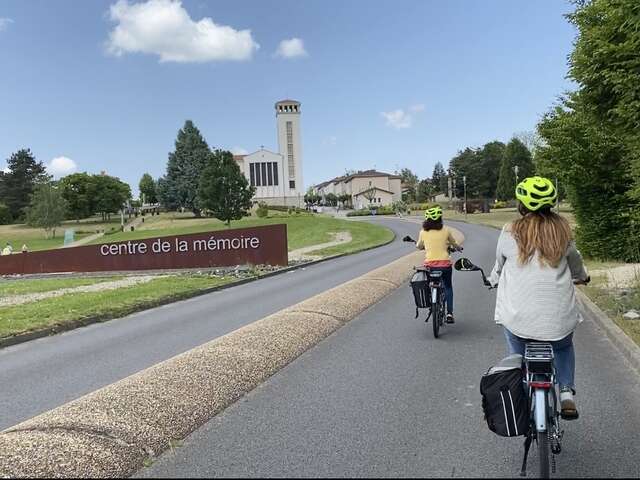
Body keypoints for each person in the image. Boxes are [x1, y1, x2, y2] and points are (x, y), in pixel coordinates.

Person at [489, 176, 589, 420]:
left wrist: (493, 279)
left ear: (521, 206)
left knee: (517, 352)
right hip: (559, 320)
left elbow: (500, 267)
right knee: (564, 347)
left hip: (518, 319)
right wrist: (583, 277)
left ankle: (523, 392)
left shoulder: (510, 231)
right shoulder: (563, 230)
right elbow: (575, 265)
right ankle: (566, 392)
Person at [416, 205, 461, 323]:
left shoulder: (423, 232)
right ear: (440, 219)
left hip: (430, 266)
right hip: (445, 266)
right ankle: (449, 313)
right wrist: (458, 247)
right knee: (448, 287)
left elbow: (419, 246)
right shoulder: (446, 230)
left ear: (426, 220)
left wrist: (424, 246)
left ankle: (432, 303)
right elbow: (454, 243)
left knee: (429, 284)